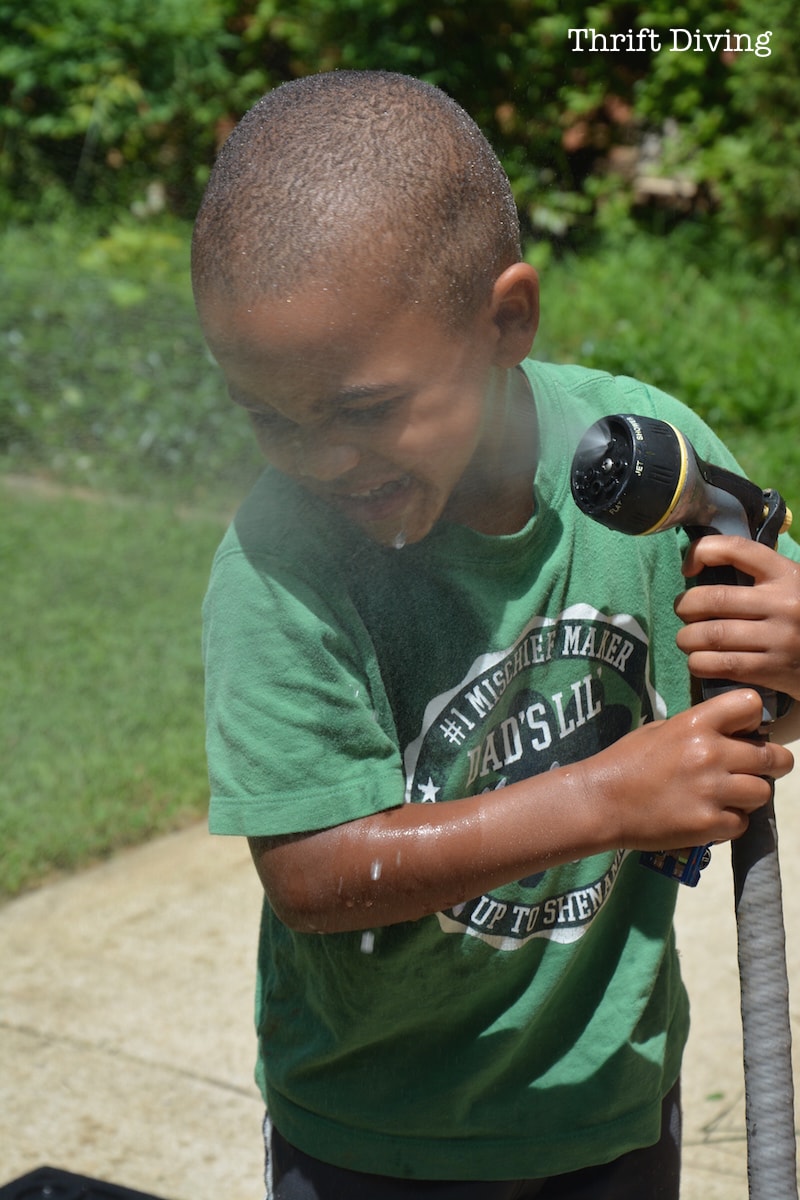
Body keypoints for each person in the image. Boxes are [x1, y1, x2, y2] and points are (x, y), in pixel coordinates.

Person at [191, 70, 800, 1199]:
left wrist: (788, 652)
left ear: (505, 318)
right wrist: (605, 801)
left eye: (364, 409)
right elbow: (316, 873)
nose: (321, 459)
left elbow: (757, 670)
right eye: (268, 416)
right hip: (378, 1132)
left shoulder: (645, 460)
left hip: (606, 1098)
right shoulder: (281, 565)